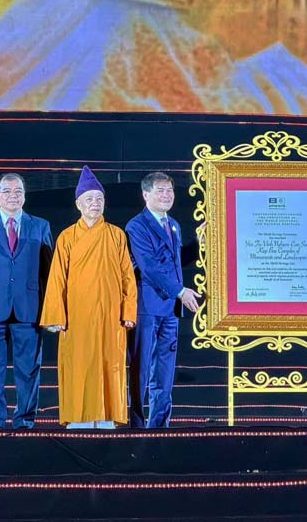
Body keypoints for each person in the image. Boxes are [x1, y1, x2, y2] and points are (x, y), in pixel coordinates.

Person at [41, 166, 138, 428]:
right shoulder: (67, 237)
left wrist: (128, 312)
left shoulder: (116, 235)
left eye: (99, 199)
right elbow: (57, 278)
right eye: (89, 199)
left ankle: (107, 418)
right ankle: (79, 418)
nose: (95, 203)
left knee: (110, 364)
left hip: (110, 316)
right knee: (79, 365)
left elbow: (128, 277)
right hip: (77, 316)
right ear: (78, 205)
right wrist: (56, 316)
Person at [0, 173, 53, 430]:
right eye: (7, 191)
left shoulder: (40, 226)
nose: (13, 196)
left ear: (25, 195)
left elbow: (48, 272)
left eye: (18, 191)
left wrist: (51, 309)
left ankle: (25, 419)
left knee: (28, 369)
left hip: (30, 307)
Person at [125, 172, 202, 428]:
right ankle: (136, 427)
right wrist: (181, 291)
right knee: (140, 370)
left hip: (170, 309)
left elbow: (175, 261)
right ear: (146, 194)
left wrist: (198, 243)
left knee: (164, 373)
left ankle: (159, 427)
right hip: (147, 307)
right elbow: (149, 267)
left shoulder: (173, 224)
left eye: (170, 190)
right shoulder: (136, 226)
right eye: (160, 190)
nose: (167, 195)